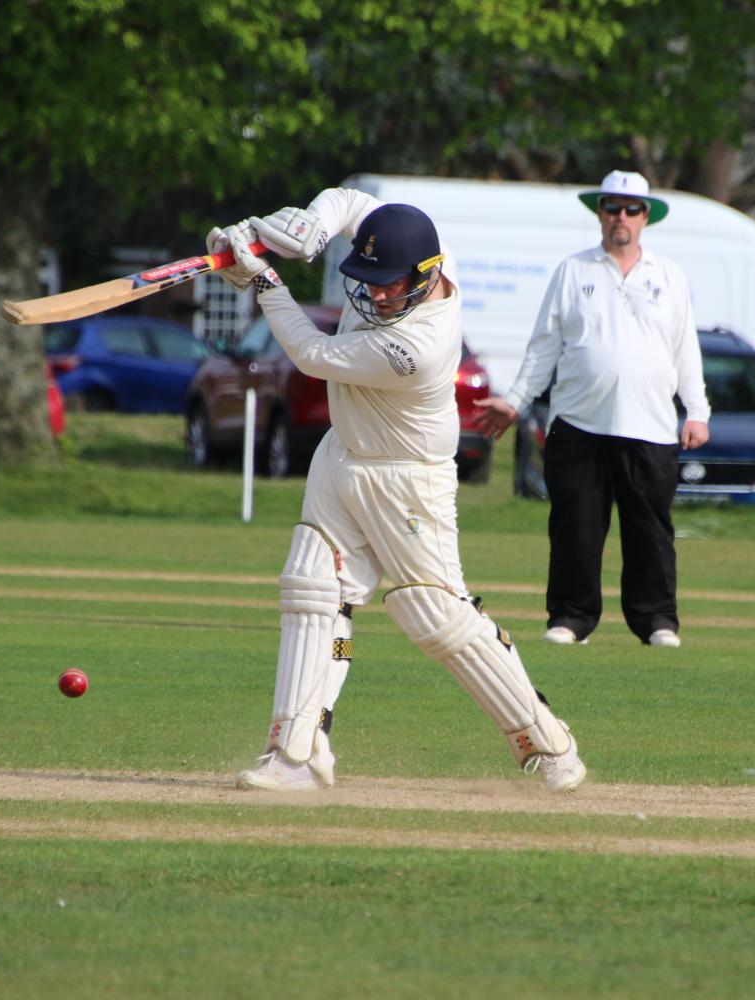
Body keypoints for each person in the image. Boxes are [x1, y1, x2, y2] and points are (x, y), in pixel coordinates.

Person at [204, 189, 586, 794]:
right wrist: (309, 226)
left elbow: (311, 354)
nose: (376, 294)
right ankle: (296, 754)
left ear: (427, 276)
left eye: (388, 284)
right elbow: (352, 200)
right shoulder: (427, 253)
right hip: (343, 454)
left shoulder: (417, 346)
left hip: (407, 478)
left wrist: (266, 281)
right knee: (312, 590)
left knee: (434, 615)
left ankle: (547, 745)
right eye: (368, 278)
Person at [476, 170, 710, 648]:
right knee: (575, 530)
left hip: (651, 427)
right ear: (599, 213)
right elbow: (544, 347)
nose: (619, 217)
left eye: (630, 209)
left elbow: (686, 349)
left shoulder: (669, 277)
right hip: (579, 425)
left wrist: (698, 410)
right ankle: (571, 618)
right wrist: (517, 401)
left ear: (646, 217)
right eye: (611, 207)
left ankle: (656, 622)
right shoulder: (573, 271)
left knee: (650, 533)